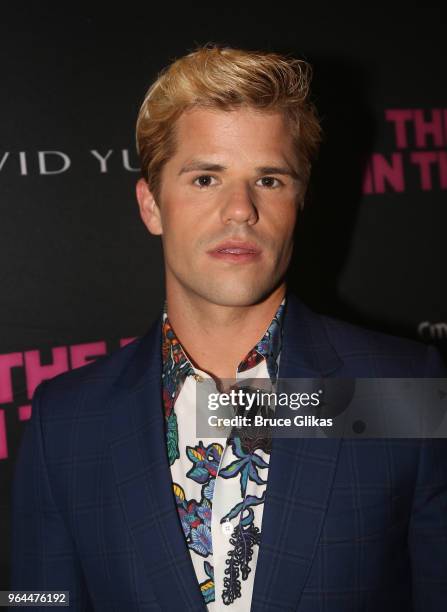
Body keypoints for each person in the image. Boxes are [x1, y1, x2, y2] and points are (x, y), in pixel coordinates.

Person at [10, 44, 447, 611]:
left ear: (301, 202)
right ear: (151, 206)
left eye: (269, 179)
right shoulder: (66, 421)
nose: (240, 208)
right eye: (205, 179)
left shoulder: (402, 392)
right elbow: (33, 601)